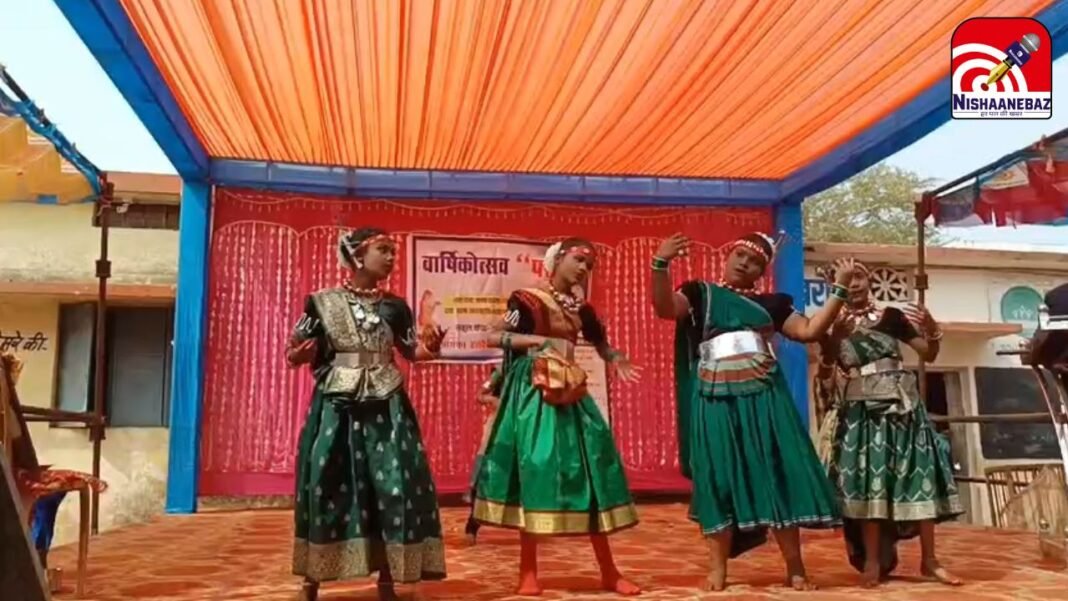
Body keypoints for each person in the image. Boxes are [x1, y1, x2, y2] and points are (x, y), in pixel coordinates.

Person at [650, 232, 854, 592]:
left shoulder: (773, 304)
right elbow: (666, 308)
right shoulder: (700, 293)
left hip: (764, 395)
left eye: (756, 261)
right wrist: (660, 263)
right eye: (740, 255)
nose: (745, 263)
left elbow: (809, 331)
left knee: (775, 472)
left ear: (763, 271)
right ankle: (718, 569)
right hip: (714, 396)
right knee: (717, 476)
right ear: (728, 255)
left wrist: (840, 289)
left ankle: (795, 567)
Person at [472, 238, 643, 597]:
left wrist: (616, 358)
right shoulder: (527, 300)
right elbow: (494, 335)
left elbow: (601, 344)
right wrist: (535, 342)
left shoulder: (583, 310)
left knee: (593, 469)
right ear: (558, 258)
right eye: (578, 259)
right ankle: (528, 572)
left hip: (569, 391)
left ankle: (610, 571)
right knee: (534, 468)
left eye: (589, 265)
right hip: (533, 392)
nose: (583, 268)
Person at [286, 228, 447, 601]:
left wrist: (433, 348)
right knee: (326, 481)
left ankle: (387, 578)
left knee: (392, 486)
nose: (391, 258)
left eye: (393, 252)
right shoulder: (321, 304)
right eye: (383, 250)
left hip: (387, 407)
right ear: (357, 255)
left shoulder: (396, 307)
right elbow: (293, 350)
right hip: (337, 408)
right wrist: (298, 355)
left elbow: (412, 352)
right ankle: (311, 579)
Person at [813, 260, 963, 588]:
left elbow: (928, 353)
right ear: (834, 284)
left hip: (904, 409)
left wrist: (932, 328)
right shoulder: (830, 323)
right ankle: (871, 561)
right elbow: (826, 371)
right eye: (846, 279)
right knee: (871, 482)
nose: (854, 284)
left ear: (869, 280)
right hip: (861, 414)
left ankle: (930, 560)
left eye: (859, 276)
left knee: (918, 475)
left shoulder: (892, 316)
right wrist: (835, 340)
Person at [463, 367, 502, 545]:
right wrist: (491, 400)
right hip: (498, 425)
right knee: (485, 477)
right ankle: (472, 525)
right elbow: (480, 394)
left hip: (525, 425)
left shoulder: (534, 369)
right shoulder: (501, 371)